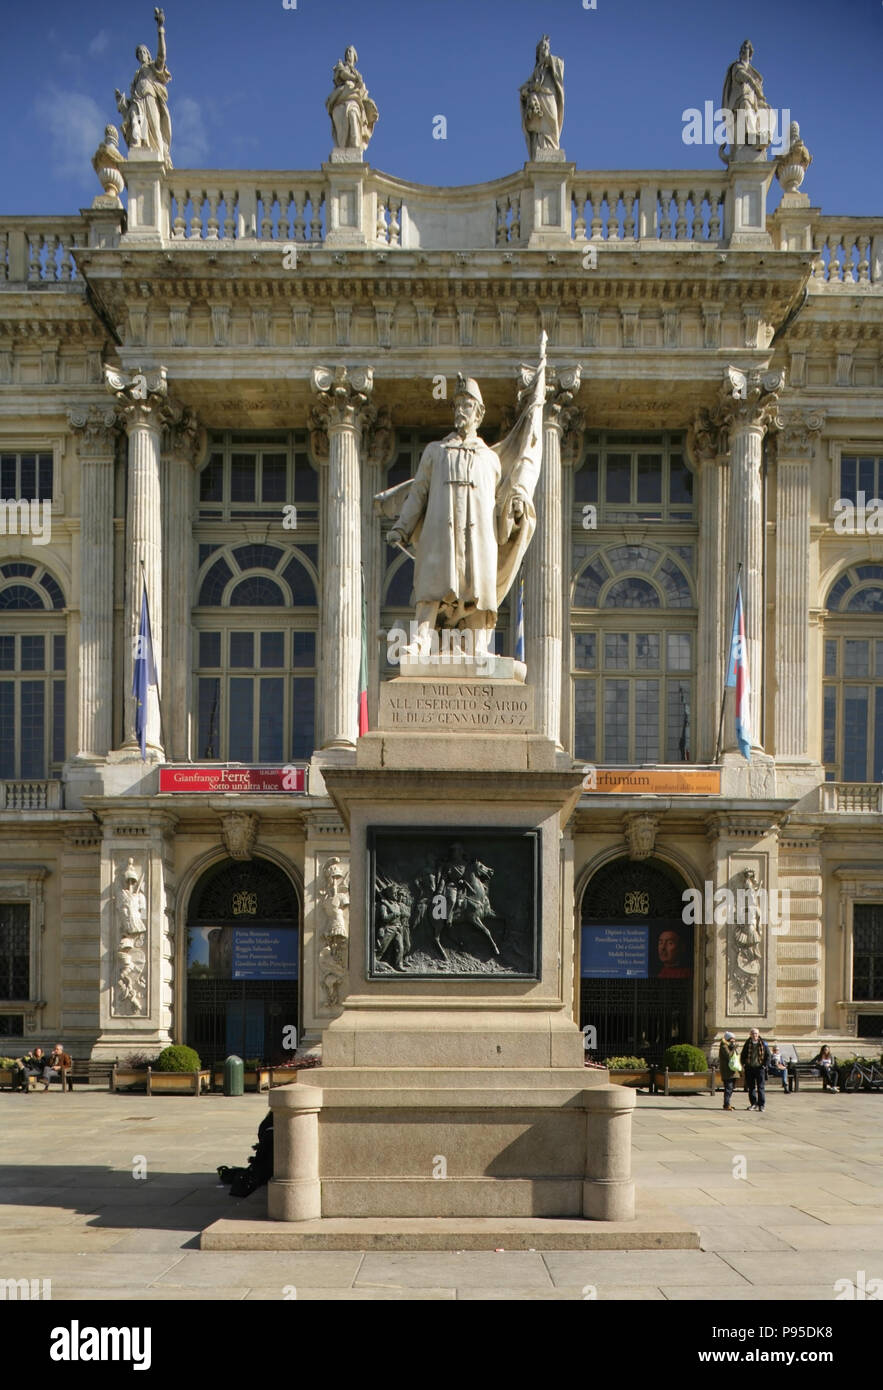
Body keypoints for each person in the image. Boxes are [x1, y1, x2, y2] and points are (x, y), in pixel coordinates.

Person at [379, 342, 545, 664]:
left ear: (479, 414)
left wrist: (513, 510)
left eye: (467, 405)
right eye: (457, 404)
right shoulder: (435, 452)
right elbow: (419, 494)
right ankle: (422, 641)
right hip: (442, 534)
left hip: (477, 539)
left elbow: (500, 502)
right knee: (431, 586)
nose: (460, 410)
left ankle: (479, 646)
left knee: (479, 592)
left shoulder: (489, 459)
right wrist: (401, 527)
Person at [115, 8, 173, 165]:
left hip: (149, 99)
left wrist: (160, 29)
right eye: (138, 53)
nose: (140, 54)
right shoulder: (136, 75)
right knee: (135, 125)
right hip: (137, 102)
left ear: (148, 54)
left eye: (142, 52)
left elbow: (162, 55)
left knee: (154, 131)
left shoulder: (153, 67)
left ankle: (160, 159)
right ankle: (138, 151)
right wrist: (123, 103)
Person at [519, 35, 565, 160]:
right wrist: (525, 92)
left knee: (552, 122)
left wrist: (549, 59)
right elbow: (527, 85)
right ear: (538, 53)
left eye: (546, 48)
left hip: (550, 97)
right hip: (539, 98)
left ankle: (552, 148)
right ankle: (542, 148)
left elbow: (560, 67)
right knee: (540, 127)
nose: (544, 50)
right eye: (542, 48)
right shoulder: (537, 71)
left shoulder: (553, 63)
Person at [740, 1027, 771, 1111]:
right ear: (750, 1035)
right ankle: (753, 1104)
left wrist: (765, 1065)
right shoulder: (747, 1043)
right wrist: (744, 1064)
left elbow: (768, 1055)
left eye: (756, 1034)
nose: (754, 1035)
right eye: (753, 1033)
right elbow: (743, 1055)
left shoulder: (763, 1043)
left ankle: (761, 1105)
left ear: (758, 1034)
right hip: (750, 1068)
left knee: (761, 1087)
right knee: (751, 1087)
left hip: (760, 1068)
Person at [718, 1032, 740, 1111]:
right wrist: (733, 1048)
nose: (733, 1042)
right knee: (728, 1088)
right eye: (732, 1040)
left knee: (731, 1088)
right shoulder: (724, 1046)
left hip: (732, 1071)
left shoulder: (729, 1046)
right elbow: (729, 1056)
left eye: (734, 1040)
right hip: (727, 1071)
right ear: (728, 1040)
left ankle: (727, 1104)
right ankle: (726, 1104)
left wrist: (733, 1048)